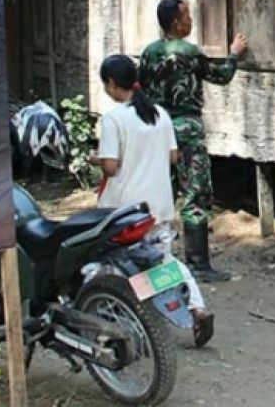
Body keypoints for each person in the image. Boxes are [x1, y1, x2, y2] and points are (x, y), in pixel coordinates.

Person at [95, 54, 212, 345]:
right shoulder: (159, 113)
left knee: (113, 264)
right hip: (158, 204)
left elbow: (110, 167)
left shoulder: (113, 119)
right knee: (163, 260)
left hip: (124, 208)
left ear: (111, 84)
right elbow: (173, 157)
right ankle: (196, 306)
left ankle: (124, 321)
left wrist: (94, 158)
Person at [138, 0, 248, 283]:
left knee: (162, 193)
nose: (191, 21)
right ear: (176, 22)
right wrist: (234, 54)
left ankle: (156, 261)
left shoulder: (149, 53)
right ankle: (198, 264)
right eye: (187, 17)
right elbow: (221, 75)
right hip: (186, 130)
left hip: (157, 130)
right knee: (195, 194)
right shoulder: (189, 52)